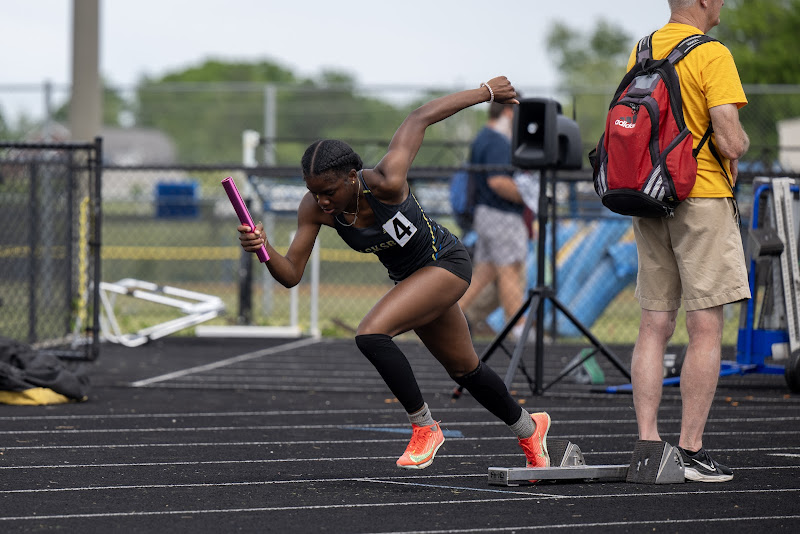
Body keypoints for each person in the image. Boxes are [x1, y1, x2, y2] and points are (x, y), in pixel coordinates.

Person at [237, 77, 552, 472]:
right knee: (465, 369)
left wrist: (486, 92)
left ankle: (425, 427)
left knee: (370, 333)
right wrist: (263, 250)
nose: (322, 200)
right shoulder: (315, 209)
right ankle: (529, 428)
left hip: (446, 262)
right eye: (314, 191)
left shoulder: (386, 181)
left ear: (352, 176)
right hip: (414, 281)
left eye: (329, 190)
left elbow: (419, 117)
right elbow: (291, 275)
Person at [629, 0, 750, 482]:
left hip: (650, 195)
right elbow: (729, 137)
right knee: (704, 327)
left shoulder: (642, 49)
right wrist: (737, 146)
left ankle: (647, 446)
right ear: (703, 2)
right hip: (700, 196)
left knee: (653, 323)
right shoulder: (711, 54)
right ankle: (691, 452)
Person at [457, 101, 533, 341]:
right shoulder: (497, 141)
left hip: (486, 214)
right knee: (510, 269)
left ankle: (446, 318)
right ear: (508, 112)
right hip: (501, 215)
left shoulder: (483, 137)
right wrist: (530, 195)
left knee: (485, 272)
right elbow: (498, 181)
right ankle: (520, 330)